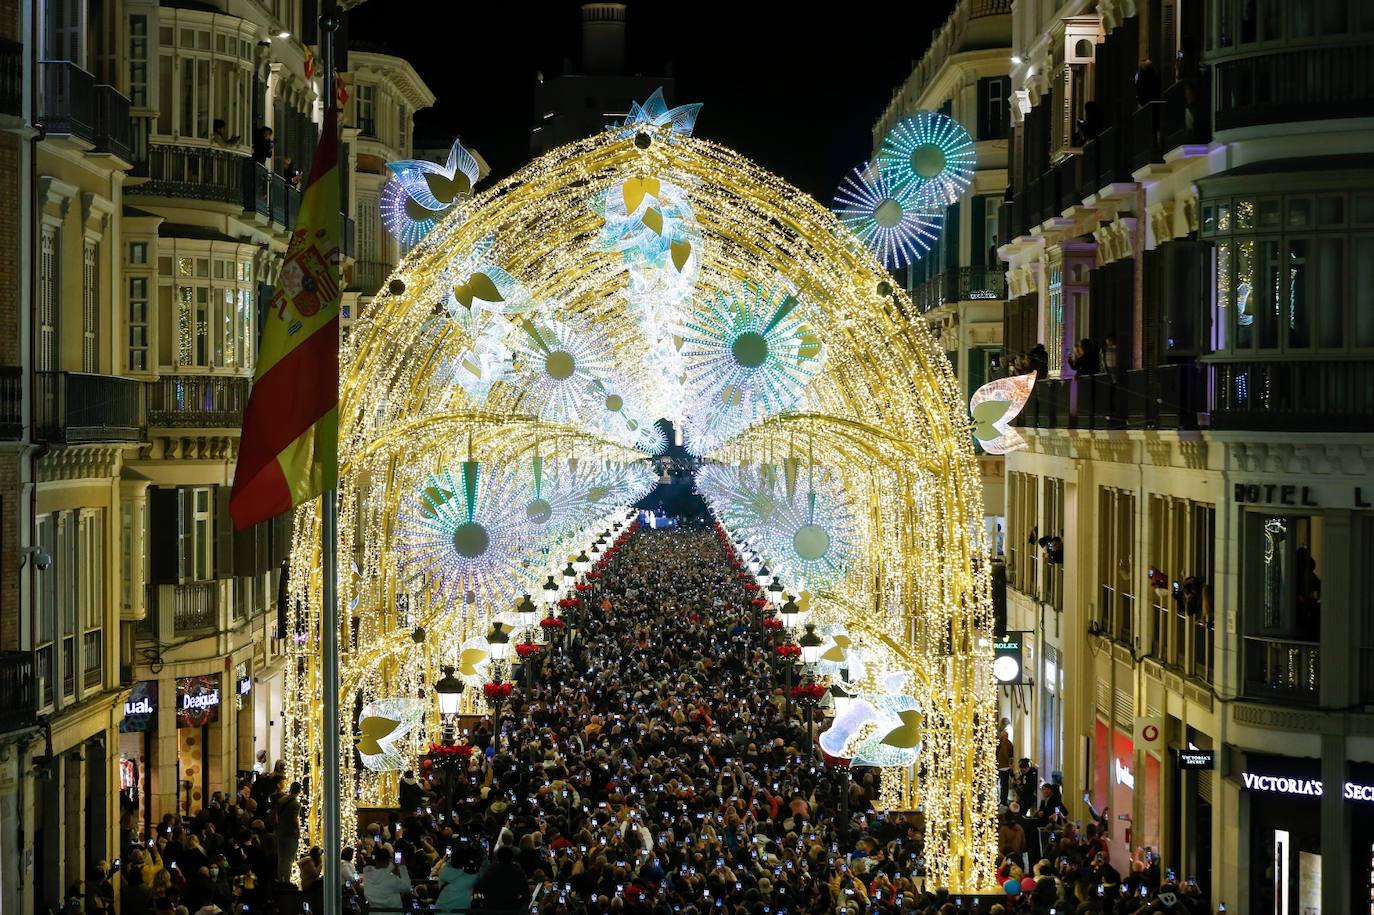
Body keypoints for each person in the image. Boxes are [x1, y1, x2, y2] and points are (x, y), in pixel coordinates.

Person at [473, 845, 530, 909]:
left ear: (498, 857)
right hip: (511, 909)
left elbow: (480, 887)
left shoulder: (490, 870)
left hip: (491, 908)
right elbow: (527, 895)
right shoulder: (518, 872)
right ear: (512, 857)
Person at [272, 779, 302, 886]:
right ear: (299, 791)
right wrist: (298, 831)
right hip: (290, 833)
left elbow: (274, 814)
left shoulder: (281, 800)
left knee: (281, 857)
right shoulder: (296, 804)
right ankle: (286, 881)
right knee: (289, 858)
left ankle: (280, 879)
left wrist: (277, 826)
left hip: (280, 832)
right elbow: (294, 819)